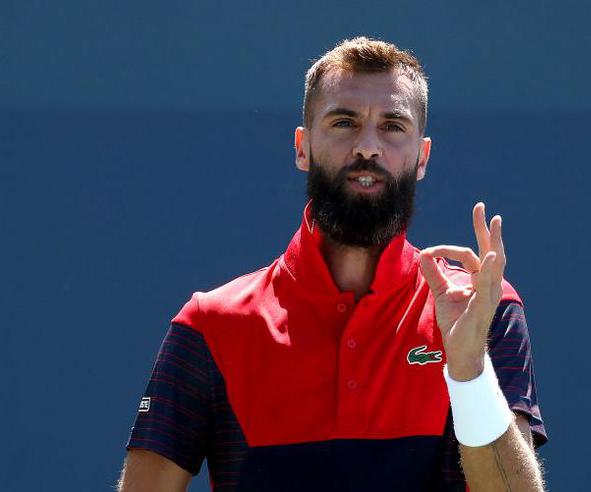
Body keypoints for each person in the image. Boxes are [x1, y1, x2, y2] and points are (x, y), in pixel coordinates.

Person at [118, 37, 547, 492]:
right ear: (302, 148)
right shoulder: (210, 325)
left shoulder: (484, 308)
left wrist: (469, 370)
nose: (368, 147)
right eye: (344, 122)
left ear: (421, 157)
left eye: (393, 126)